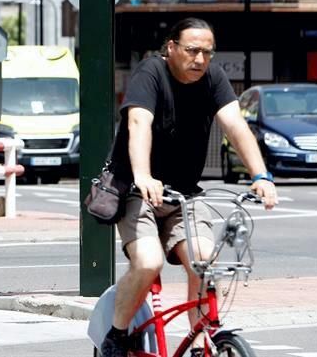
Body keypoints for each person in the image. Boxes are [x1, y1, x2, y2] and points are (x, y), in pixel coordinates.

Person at [101, 18, 278, 357]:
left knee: (205, 259)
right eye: (192, 50)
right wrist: (142, 174)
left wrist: (261, 176)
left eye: (207, 53)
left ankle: (200, 342)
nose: (200, 59)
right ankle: (118, 335)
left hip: (184, 194)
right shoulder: (150, 73)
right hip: (140, 191)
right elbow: (139, 122)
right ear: (171, 48)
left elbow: (235, 125)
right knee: (149, 262)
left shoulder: (213, 79)